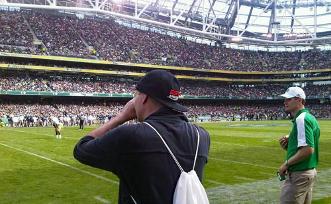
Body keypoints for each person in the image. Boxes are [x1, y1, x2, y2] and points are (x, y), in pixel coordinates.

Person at [73, 70, 210, 204]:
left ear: (144, 98)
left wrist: (120, 117)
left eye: (135, 95)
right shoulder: (202, 136)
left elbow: (81, 149)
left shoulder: (130, 135)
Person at [278, 87, 320, 204]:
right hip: (307, 172)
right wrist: (289, 145)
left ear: (299, 100)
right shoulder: (309, 117)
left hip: (299, 174)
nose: (285, 102)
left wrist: (285, 164)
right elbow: (307, 146)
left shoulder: (301, 119)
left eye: (289, 99)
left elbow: (308, 149)